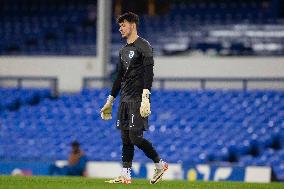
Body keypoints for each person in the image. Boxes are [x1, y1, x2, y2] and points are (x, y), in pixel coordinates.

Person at [100, 12, 168, 184]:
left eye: (123, 25)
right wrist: (110, 100)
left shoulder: (143, 45)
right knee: (125, 139)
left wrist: (146, 95)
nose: (120, 28)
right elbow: (119, 78)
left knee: (135, 137)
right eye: (119, 26)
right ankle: (126, 175)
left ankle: (160, 165)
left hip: (138, 99)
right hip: (124, 99)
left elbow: (149, 72)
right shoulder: (123, 51)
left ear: (132, 25)